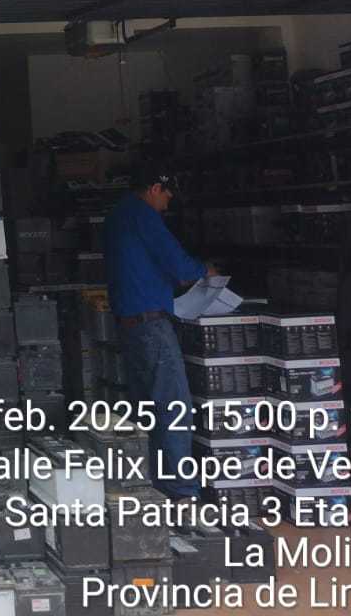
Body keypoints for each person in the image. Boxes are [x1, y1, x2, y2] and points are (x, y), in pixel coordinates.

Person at [103, 160, 216, 500]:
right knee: (173, 405)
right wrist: (205, 270)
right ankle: (181, 489)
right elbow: (178, 265)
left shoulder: (118, 215)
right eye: (167, 195)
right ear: (154, 189)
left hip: (130, 326)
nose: (168, 203)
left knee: (147, 408)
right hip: (151, 325)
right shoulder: (144, 216)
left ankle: (154, 482)